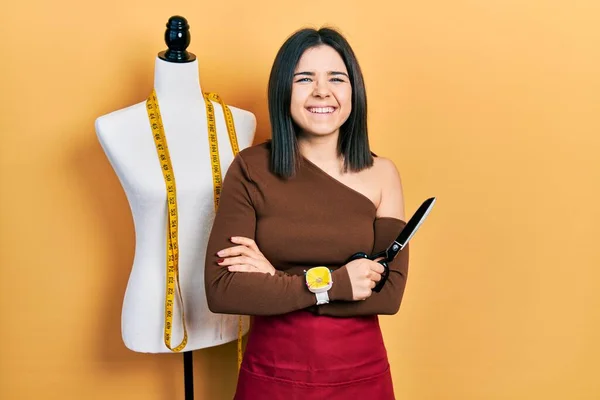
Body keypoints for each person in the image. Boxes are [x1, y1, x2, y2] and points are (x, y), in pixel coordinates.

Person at [204, 26, 409, 399]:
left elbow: (388, 295)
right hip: (272, 375)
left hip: (361, 377)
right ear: (284, 90)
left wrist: (276, 280)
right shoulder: (251, 169)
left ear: (353, 91)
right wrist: (335, 285)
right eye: (304, 79)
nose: (321, 91)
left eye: (336, 78)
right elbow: (223, 290)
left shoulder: (383, 175)